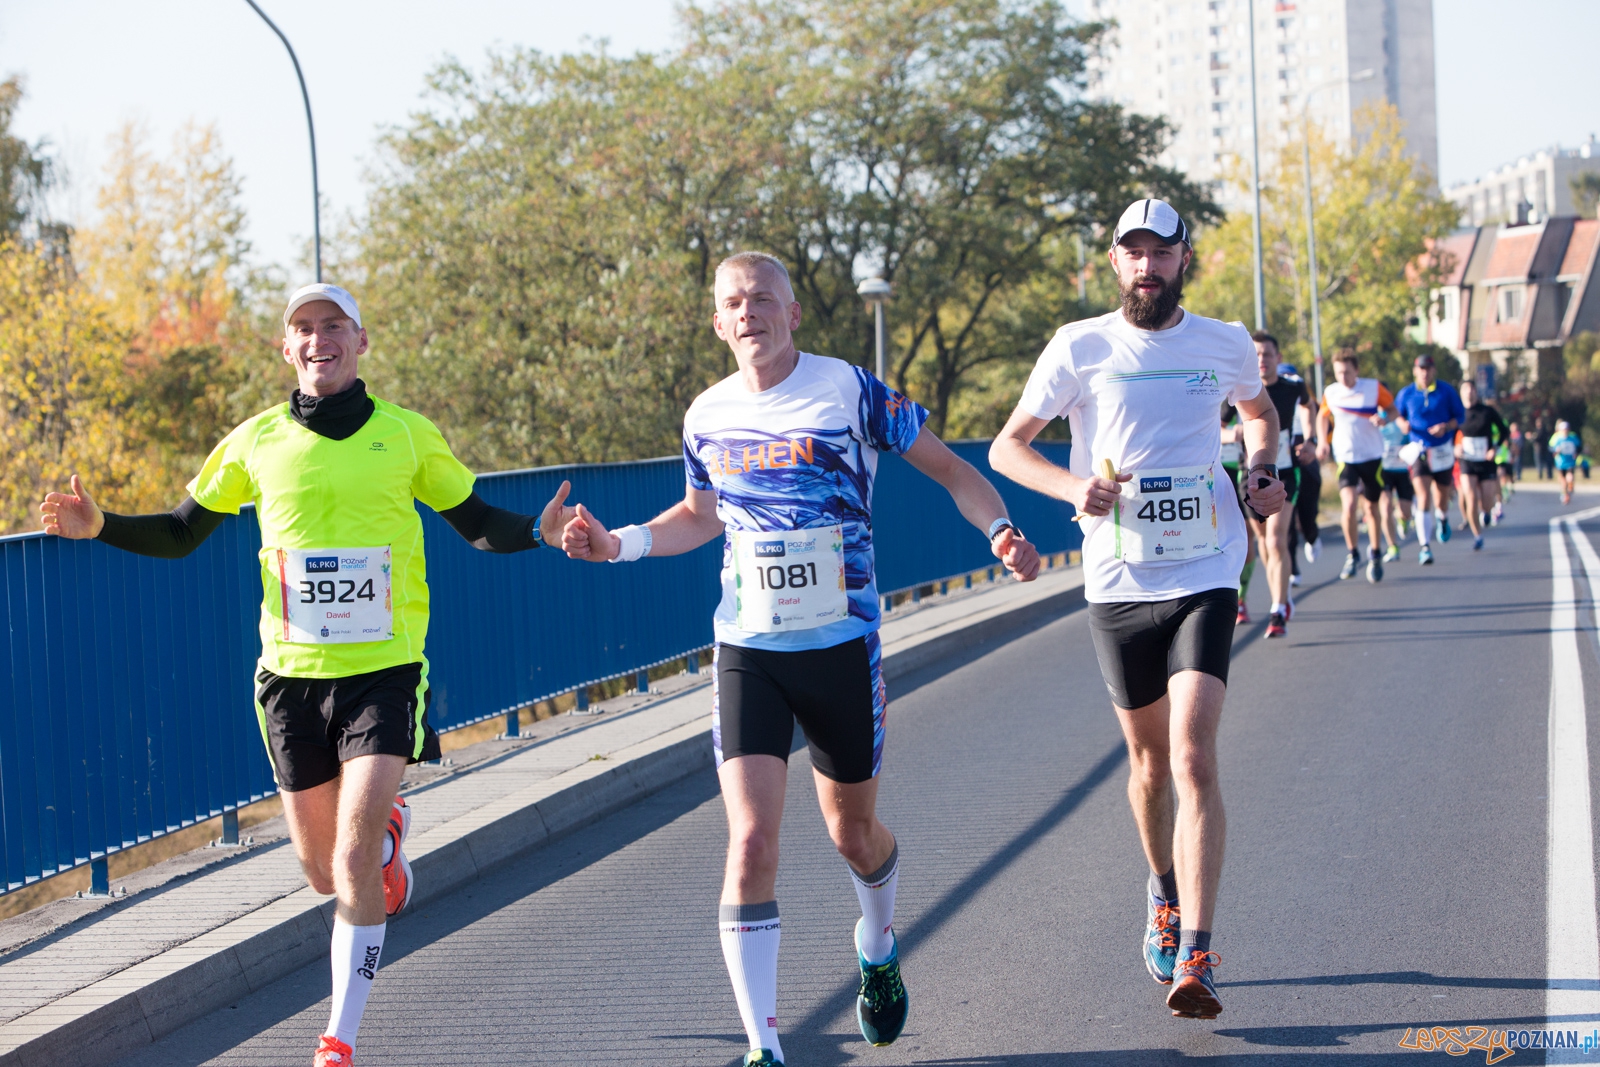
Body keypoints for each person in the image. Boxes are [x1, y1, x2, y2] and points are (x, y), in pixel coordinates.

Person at [38, 284, 574, 1067]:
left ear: (361, 341)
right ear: (286, 349)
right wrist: (101, 525)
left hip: (385, 670)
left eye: (333, 326)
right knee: (324, 874)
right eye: (303, 329)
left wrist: (536, 530)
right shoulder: (254, 441)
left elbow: (476, 522)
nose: (318, 339)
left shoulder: (406, 434)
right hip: (289, 681)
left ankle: (339, 1038)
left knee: (350, 861)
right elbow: (182, 533)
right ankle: (385, 844)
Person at [560, 251, 1039, 1067]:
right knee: (750, 841)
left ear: (792, 312)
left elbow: (953, 469)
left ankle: (878, 945)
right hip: (749, 647)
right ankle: (764, 1047)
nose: (749, 312)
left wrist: (999, 529)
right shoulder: (706, 413)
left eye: (762, 298)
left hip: (841, 646)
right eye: (733, 302)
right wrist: (619, 544)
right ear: (718, 322)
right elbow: (699, 514)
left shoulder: (849, 390)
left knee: (853, 834)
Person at [990, 198, 1287, 1021]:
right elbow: (1008, 445)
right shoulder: (1079, 345)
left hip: (1207, 567)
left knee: (1193, 756)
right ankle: (1162, 890)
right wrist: (1071, 486)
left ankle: (1198, 951)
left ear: (1185, 258)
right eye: (1135, 252)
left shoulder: (1224, 342)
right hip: (1119, 578)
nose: (1148, 266)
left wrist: (1261, 469)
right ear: (1116, 261)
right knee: (1149, 764)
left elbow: (1259, 413)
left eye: (1162, 251)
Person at [1240, 336, 1312, 638]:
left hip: (1285, 473)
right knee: (1263, 542)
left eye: (1267, 354)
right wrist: (1234, 433)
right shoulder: (1244, 387)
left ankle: (1278, 609)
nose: (1262, 360)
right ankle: (1279, 595)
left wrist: (1311, 440)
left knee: (1275, 539)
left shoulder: (1292, 386)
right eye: (1257, 354)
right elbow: (1220, 424)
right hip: (1251, 475)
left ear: (1278, 357)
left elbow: (1309, 406)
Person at [1315, 350, 1395, 583]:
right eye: (1339, 373)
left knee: (1371, 508)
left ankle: (1376, 553)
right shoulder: (1331, 392)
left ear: (1356, 370)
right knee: (1349, 506)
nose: (1343, 377)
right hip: (1346, 456)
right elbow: (1322, 416)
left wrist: (1384, 418)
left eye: (1347, 372)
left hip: (1371, 455)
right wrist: (1322, 441)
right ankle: (1352, 554)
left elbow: (1393, 410)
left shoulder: (1373, 388)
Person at [1393, 354, 1464, 565]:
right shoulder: (1407, 393)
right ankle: (1425, 546)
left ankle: (1442, 518)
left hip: (1442, 450)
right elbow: (1396, 414)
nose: (1424, 373)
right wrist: (1402, 424)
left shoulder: (1446, 391)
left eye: (1428, 369)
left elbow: (1460, 417)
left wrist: (1446, 427)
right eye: (1421, 369)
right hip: (1419, 450)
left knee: (1441, 497)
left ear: (1434, 371)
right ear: (1415, 371)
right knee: (1423, 497)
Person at [1454, 380, 1509, 550]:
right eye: (1465, 389)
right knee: (1470, 498)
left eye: (1472, 389)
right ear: (1461, 393)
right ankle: (1477, 535)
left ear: (1476, 392)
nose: (1469, 392)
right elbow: (1450, 433)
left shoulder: (1487, 411)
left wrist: (1495, 448)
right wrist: (1455, 447)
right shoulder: (1457, 412)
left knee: (1487, 502)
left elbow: (1504, 431)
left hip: (1486, 461)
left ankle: (1486, 512)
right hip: (1467, 461)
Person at [1220, 402, 1258, 624]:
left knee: (1245, 535)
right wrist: (1232, 434)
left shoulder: (1242, 392)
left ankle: (1241, 598)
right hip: (1213, 471)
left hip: (1240, 471)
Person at [1378, 415, 1414, 561]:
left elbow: (1412, 438)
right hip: (1383, 470)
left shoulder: (1400, 416)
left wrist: (1407, 449)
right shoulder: (1372, 415)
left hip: (1402, 469)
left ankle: (1403, 520)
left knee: (1405, 512)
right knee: (1386, 507)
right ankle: (1392, 546)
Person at [1551, 419, 1584, 504]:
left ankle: (1565, 493)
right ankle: (1567, 489)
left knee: (1564, 477)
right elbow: (1579, 447)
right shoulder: (1570, 437)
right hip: (1565, 461)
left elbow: (1552, 449)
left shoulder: (1560, 438)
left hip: (1564, 461)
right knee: (1566, 476)